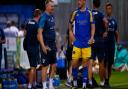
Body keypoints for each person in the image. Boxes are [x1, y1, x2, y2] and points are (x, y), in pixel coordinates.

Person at [69, 0, 95, 88]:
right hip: (77, 43)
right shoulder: (75, 13)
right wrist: (72, 37)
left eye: (80, 0)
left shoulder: (89, 13)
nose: (78, 2)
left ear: (84, 1)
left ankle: (84, 84)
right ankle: (75, 81)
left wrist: (91, 38)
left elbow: (93, 27)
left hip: (86, 44)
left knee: (85, 64)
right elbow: (69, 26)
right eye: (77, 0)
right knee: (74, 63)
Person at [88, 0, 108, 87]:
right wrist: (106, 31)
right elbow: (106, 22)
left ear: (93, 4)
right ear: (99, 5)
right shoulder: (101, 14)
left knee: (90, 62)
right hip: (100, 40)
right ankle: (102, 82)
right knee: (101, 63)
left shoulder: (89, 13)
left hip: (91, 40)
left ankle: (90, 82)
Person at [37, 0, 56, 89]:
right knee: (45, 66)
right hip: (46, 45)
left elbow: (52, 31)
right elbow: (39, 33)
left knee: (54, 65)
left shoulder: (52, 16)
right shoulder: (43, 17)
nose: (53, 8)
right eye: (51, 6)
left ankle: (50, 84)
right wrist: (43, 46)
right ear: (47, 7)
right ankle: (44, 86)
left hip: (53, 45)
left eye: (53, 6)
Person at [25, 9, 41, 89]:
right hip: (34, 47)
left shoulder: (28, 22)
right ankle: (30, 85)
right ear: (39, 15)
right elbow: (38, 37)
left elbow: (25, 34)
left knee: (33, 66)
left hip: (28, 47)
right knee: (33, 67)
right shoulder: (37, 25)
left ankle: (34, 84)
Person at [104, 3, 120, 87]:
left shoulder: (114, 21)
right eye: (107, 8)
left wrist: (118, 43)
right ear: (105, 10)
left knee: (110, 65)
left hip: (112, 46)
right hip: (105, 45)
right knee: (105, 63)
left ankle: (108, 80)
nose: (108, 10)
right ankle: (106, 81)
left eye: (110, 8)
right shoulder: (104, 20)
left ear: (111, 10)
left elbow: (116, 33)